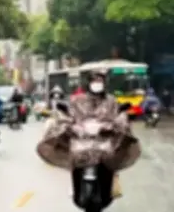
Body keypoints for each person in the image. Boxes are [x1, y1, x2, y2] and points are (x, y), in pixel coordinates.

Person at [37, 69, 141, 198]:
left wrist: (116, 124)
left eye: (100, 81)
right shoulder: (78, 100)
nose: (97, 84)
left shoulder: (111, 101)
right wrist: (69, 125)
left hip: (104, 139)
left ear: (104, 83)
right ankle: (74, 183)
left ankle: (112, 183)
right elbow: (69, 116)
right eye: (94, 81)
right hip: (82, 138)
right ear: (89, 83)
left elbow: (119, 117)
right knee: (73, 157)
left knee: (113, 159)